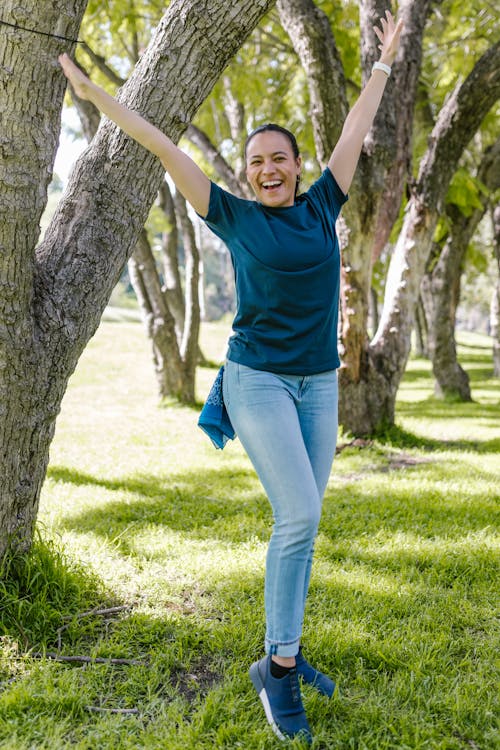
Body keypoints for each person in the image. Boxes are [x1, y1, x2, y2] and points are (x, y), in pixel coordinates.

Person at [59, 10, 403, 743]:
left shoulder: (321, 206)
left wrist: (382, 64)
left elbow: (354, 132)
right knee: (299, 515)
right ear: (247, 173)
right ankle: (278, 674)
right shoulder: (232, 215)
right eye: (257, 162)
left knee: (305, 526)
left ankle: (284, 651)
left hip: (318, 385)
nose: (268, 169)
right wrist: (95, 96)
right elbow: (157, 140)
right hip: (257, 383)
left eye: (279, 158)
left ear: (297, 166)